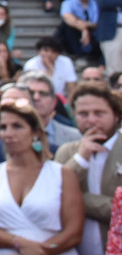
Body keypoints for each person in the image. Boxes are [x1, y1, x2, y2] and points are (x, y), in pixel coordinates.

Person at [0, 101, 83, 254]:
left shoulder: (62, 174)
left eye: (17, 126)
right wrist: (18, 243)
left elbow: (73, 232)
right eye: (3, 127)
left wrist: (43, 250)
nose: (8, 133)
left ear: (36, 133)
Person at [54, 83, 122, 253]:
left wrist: (78, 200)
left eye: (99, 113)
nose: (91, 120)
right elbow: (52, 198)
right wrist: (80, 160)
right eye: (83, 114)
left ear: (116, 116)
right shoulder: (67, 151)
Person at [20, 70, 82, 147]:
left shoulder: (75, 137)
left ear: (54, 102)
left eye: (43, 93)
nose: (36, 98)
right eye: (31, 93)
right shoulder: (7, 135)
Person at [59, 0, 102, 64]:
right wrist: (84, 29)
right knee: (66, 26)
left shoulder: (95, 3)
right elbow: (67, 17)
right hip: (74, 33)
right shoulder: (68, 3)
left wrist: (86, 28)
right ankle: (79, 55)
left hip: (92, 33)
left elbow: (95, 22)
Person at [94, 0, 122, 74]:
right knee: (114, 69)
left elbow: (107, 2)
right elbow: (101, 2)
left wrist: (112, 0)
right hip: (111, 29)